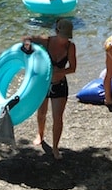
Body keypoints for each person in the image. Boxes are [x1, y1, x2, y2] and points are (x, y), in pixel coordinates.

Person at [22, 19, 76, 159]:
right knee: (41, 113)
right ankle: (40, 135)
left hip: (60, 85)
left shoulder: (70, 47)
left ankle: (55, 147)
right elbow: (26, 39)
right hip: (43, 84)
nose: (65, 39)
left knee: (58, 118)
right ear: (57, 31)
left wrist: (58, 73)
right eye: (62, 35)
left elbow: (72, 68)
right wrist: (27, 48)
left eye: (67, 36)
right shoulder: (46, 41)